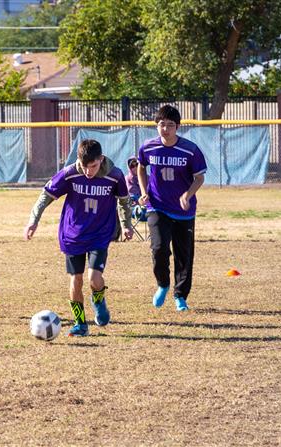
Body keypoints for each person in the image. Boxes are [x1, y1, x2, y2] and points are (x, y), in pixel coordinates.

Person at [24, 139, 133, 337]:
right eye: (84, 166)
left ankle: (98, 300)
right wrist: (34, 220)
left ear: (101, 159)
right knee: (76, 279)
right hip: (73, 235)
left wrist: (126, 226)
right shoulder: (70, 173)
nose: (88, 172)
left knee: (94, 278)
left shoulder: (115, 176)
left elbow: (124, 202)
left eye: (92, 166)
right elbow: (45, 196)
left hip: (100, 234)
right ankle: (80, 323)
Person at [137, 105, 207, 311]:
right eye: (161, 124)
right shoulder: (148, 147)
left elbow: (199, 177)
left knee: (183, 255)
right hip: (157, 206)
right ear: (156, 126)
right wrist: (143, 191)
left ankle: (180, 296)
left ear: (177, 126)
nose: (165, 129)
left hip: (184, 211)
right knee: (158, 248)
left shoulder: (190, 150)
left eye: (170, 125)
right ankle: (163, 284)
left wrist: (188, 194)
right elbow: (141, 166)